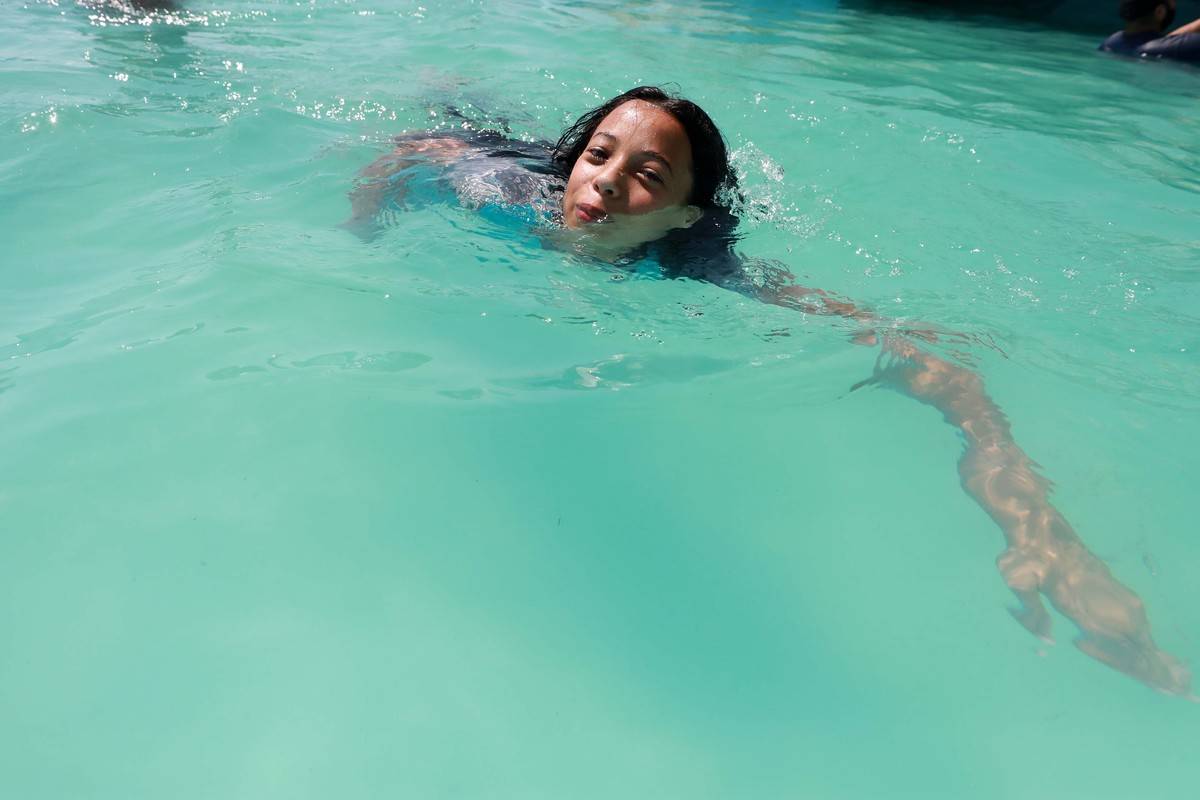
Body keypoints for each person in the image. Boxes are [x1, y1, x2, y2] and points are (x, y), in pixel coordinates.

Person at [346, 86, 1193, 697]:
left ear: (682, 214)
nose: (603, 181)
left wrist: (1041, 528)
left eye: (646, 173)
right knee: (455, 112)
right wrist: (364, 232)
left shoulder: (702, 270)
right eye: (598, 155)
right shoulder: (502, 193)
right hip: (477, 136)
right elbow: (419, 149)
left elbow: (943, 372)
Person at [1100, 0, 1200, 62]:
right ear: (1160, 12)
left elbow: (1168, 42)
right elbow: (1176, 44)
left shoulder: (1111, 43)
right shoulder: (1186, 47)